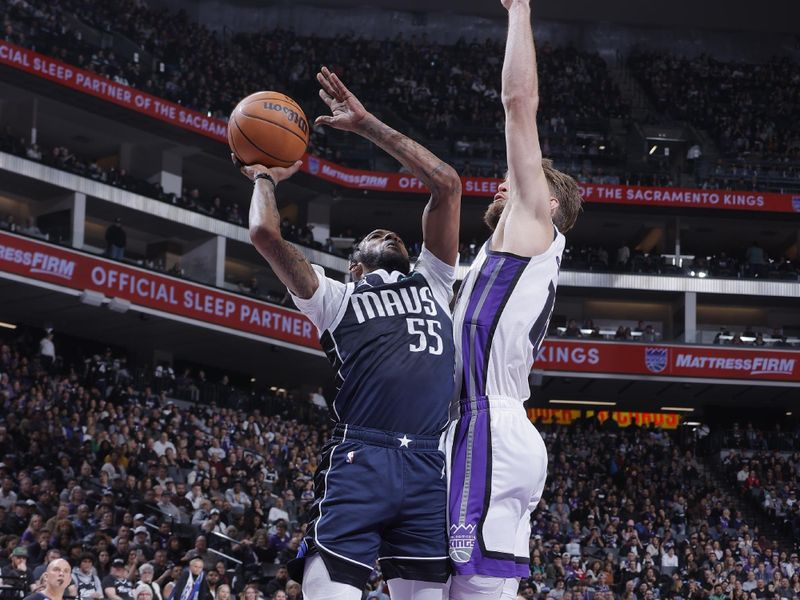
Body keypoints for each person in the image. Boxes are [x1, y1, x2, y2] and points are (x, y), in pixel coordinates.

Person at [236, 66, 461, 600]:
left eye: (393, 235)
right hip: (362, 460)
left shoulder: (434, 280)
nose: (385, 233)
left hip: (430, 464)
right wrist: (265, 174)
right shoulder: (337, 298)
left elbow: (447, 184)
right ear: (354, 266)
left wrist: (366, 126)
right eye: (371, 236)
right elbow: (264, 233)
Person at [444, 1, 583, 599]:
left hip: (489, 424)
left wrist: (519, 9)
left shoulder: (534, 226)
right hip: (467, 425)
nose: (507, 179)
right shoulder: (488, 259)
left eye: (526, 178)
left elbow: (518, 105)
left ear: (549, 205)